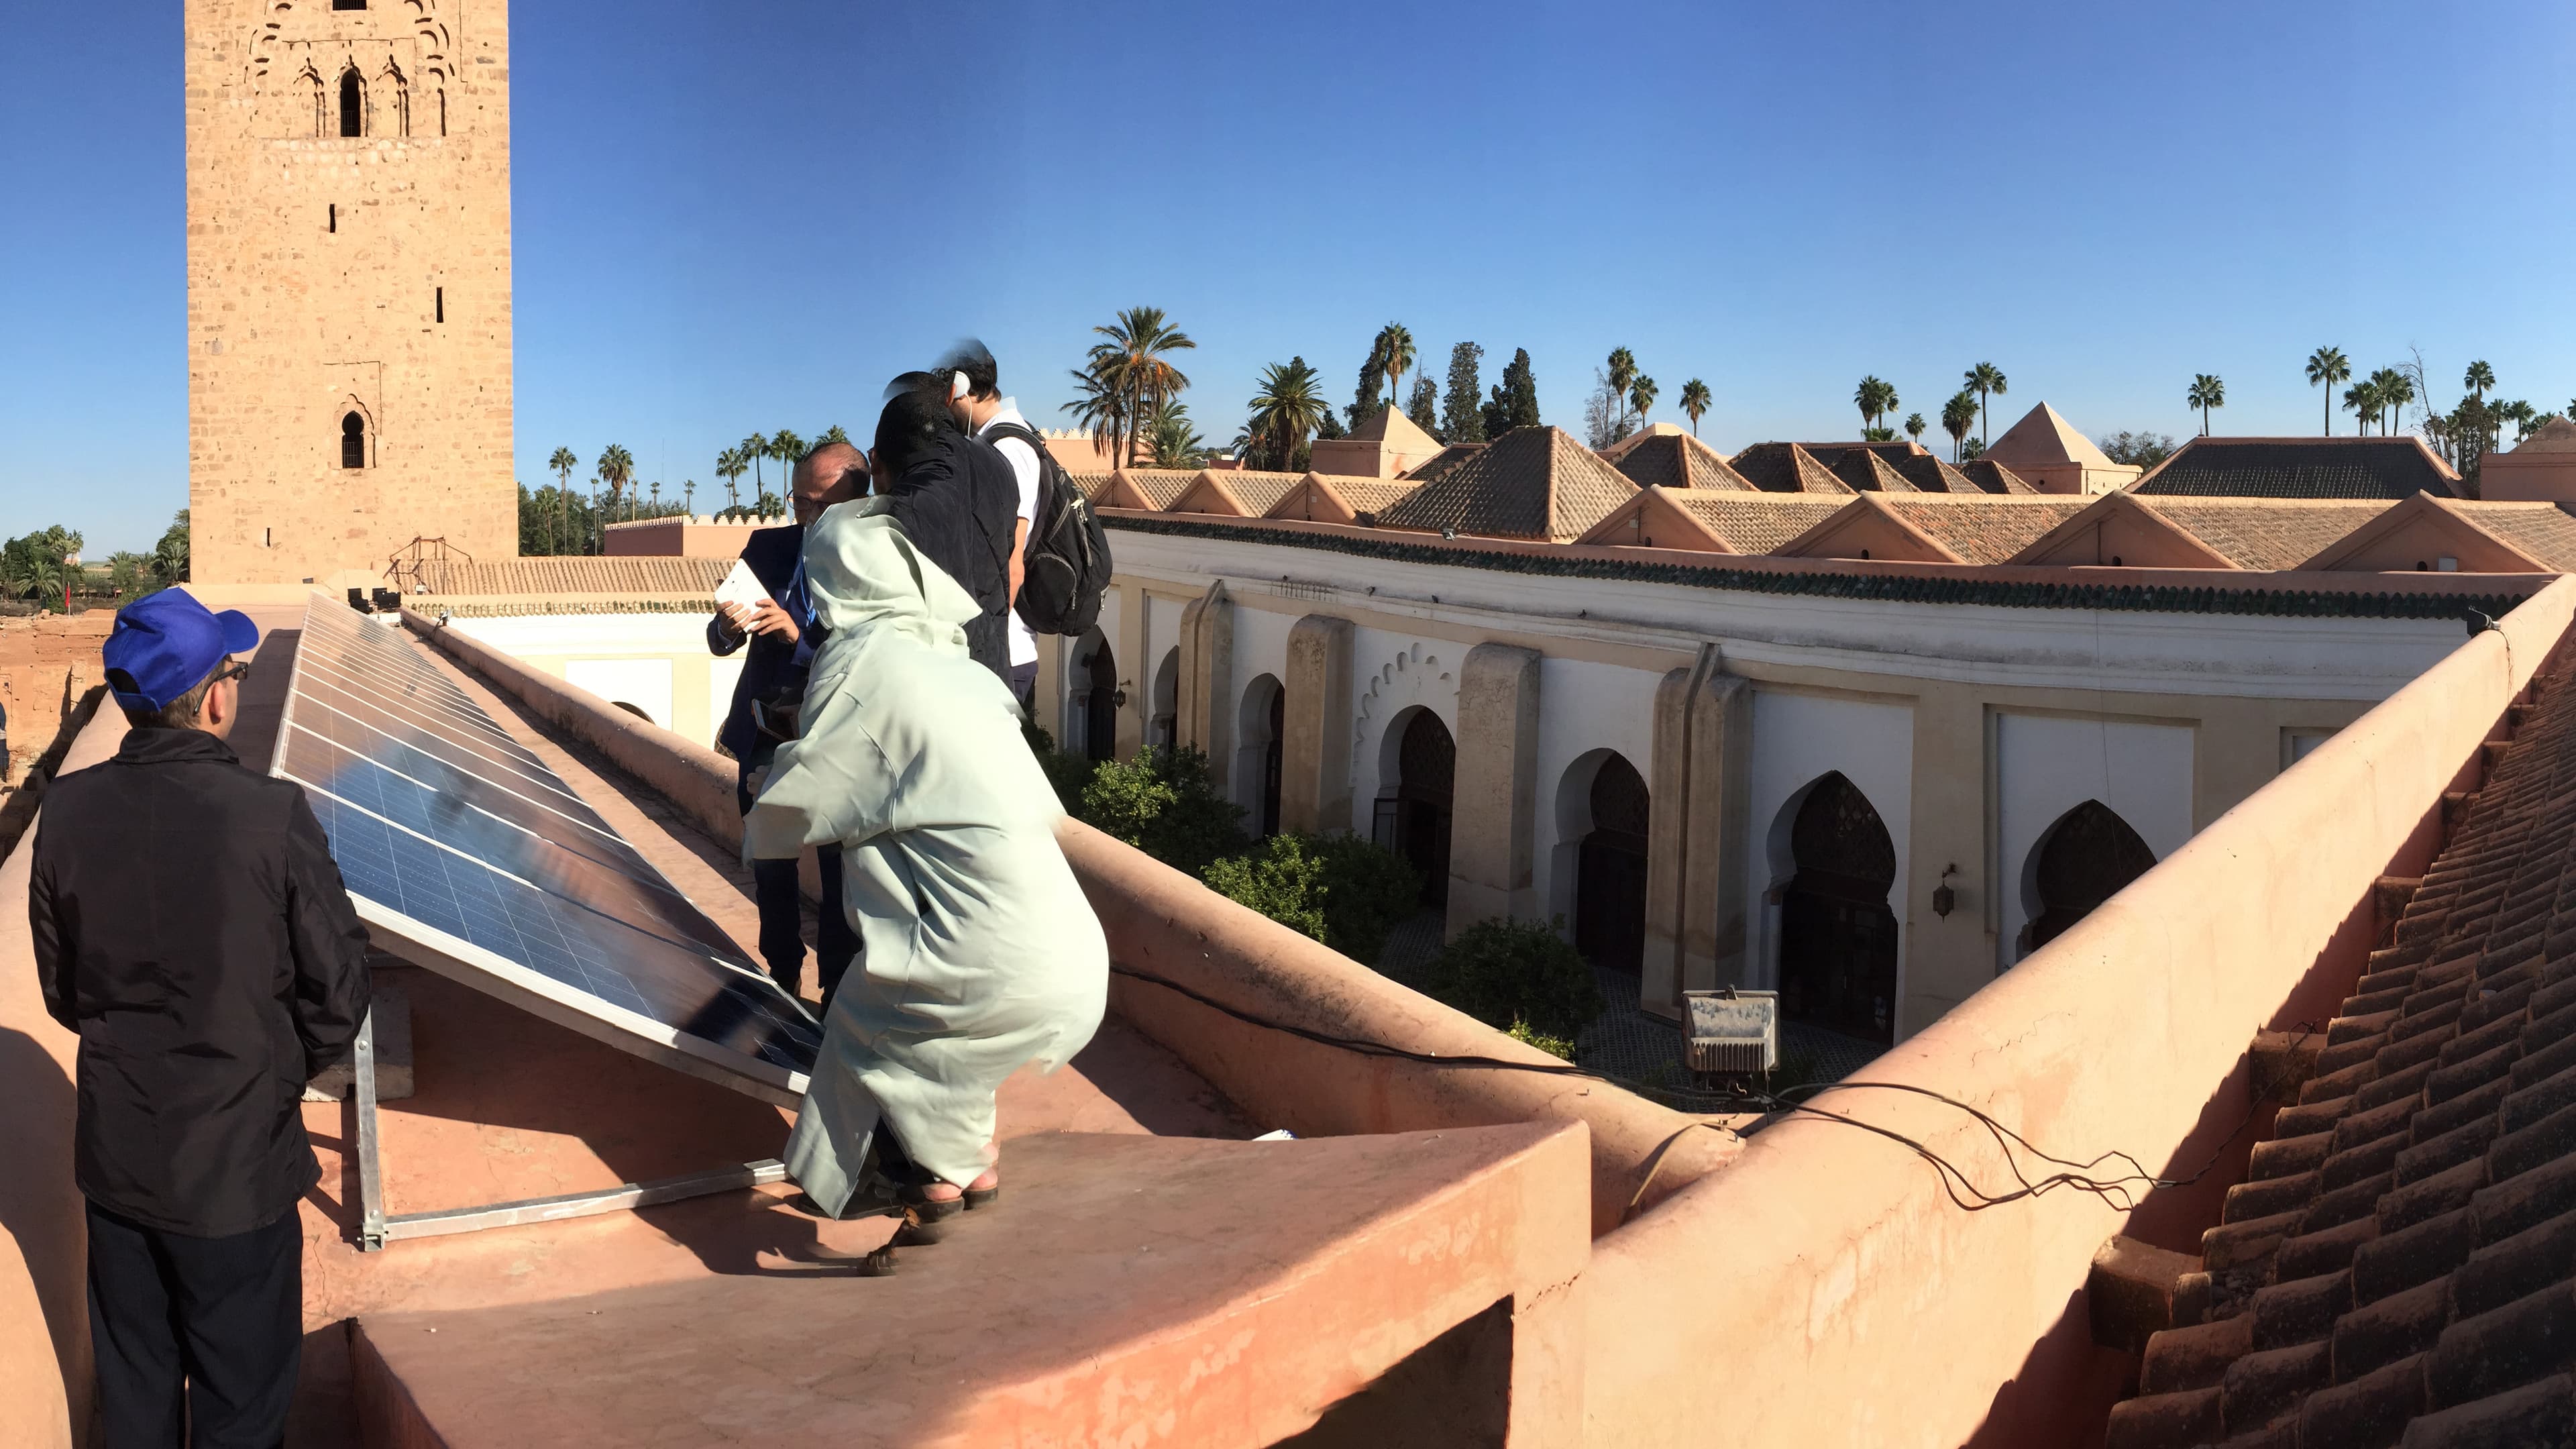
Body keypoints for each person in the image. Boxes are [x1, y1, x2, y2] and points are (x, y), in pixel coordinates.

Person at [32, 589, 372, 1447]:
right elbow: (338, 992)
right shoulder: (269, 816)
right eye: (235, 673)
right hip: (237, 1175)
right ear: (216, 696)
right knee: (242, 1407)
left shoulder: (65, 812)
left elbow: (62, 991)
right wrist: (274, 1075)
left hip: (119, 1169)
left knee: (136, 1396)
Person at [746, 498, 1106, 1238]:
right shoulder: (960, 665)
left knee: (866, 1025)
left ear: (835, 579)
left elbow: (805, 803)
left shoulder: (861, 665)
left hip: (990, 959)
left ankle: (868, 1182)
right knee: (947, 1044)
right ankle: (967, 1172)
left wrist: (761, 796)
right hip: (1074, 955)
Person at [708, 440, 864, 1004]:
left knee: (839, 874)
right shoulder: (767, 547)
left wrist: (799, 640)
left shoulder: (872, 565)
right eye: (799, 501)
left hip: (833, 739)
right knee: (771, 869)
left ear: (856, 503)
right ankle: (783, 975)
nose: (807, 514)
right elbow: (716, 640)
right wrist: (727, 628)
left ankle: (837, 990)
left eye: (821, 504)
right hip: (765, 735)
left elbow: (868, 658)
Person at [871, 386, 1020, 687]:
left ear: (876, 463)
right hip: (994, 675)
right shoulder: (1000, 468)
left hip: (937, 686)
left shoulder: (899, 513)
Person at [941, 342, 1043, 708]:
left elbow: (1012, 563)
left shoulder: (1009, 448)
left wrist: (988, 652)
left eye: (946, 395)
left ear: (962, 389)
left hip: (1002, 657)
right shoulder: (991, 442)